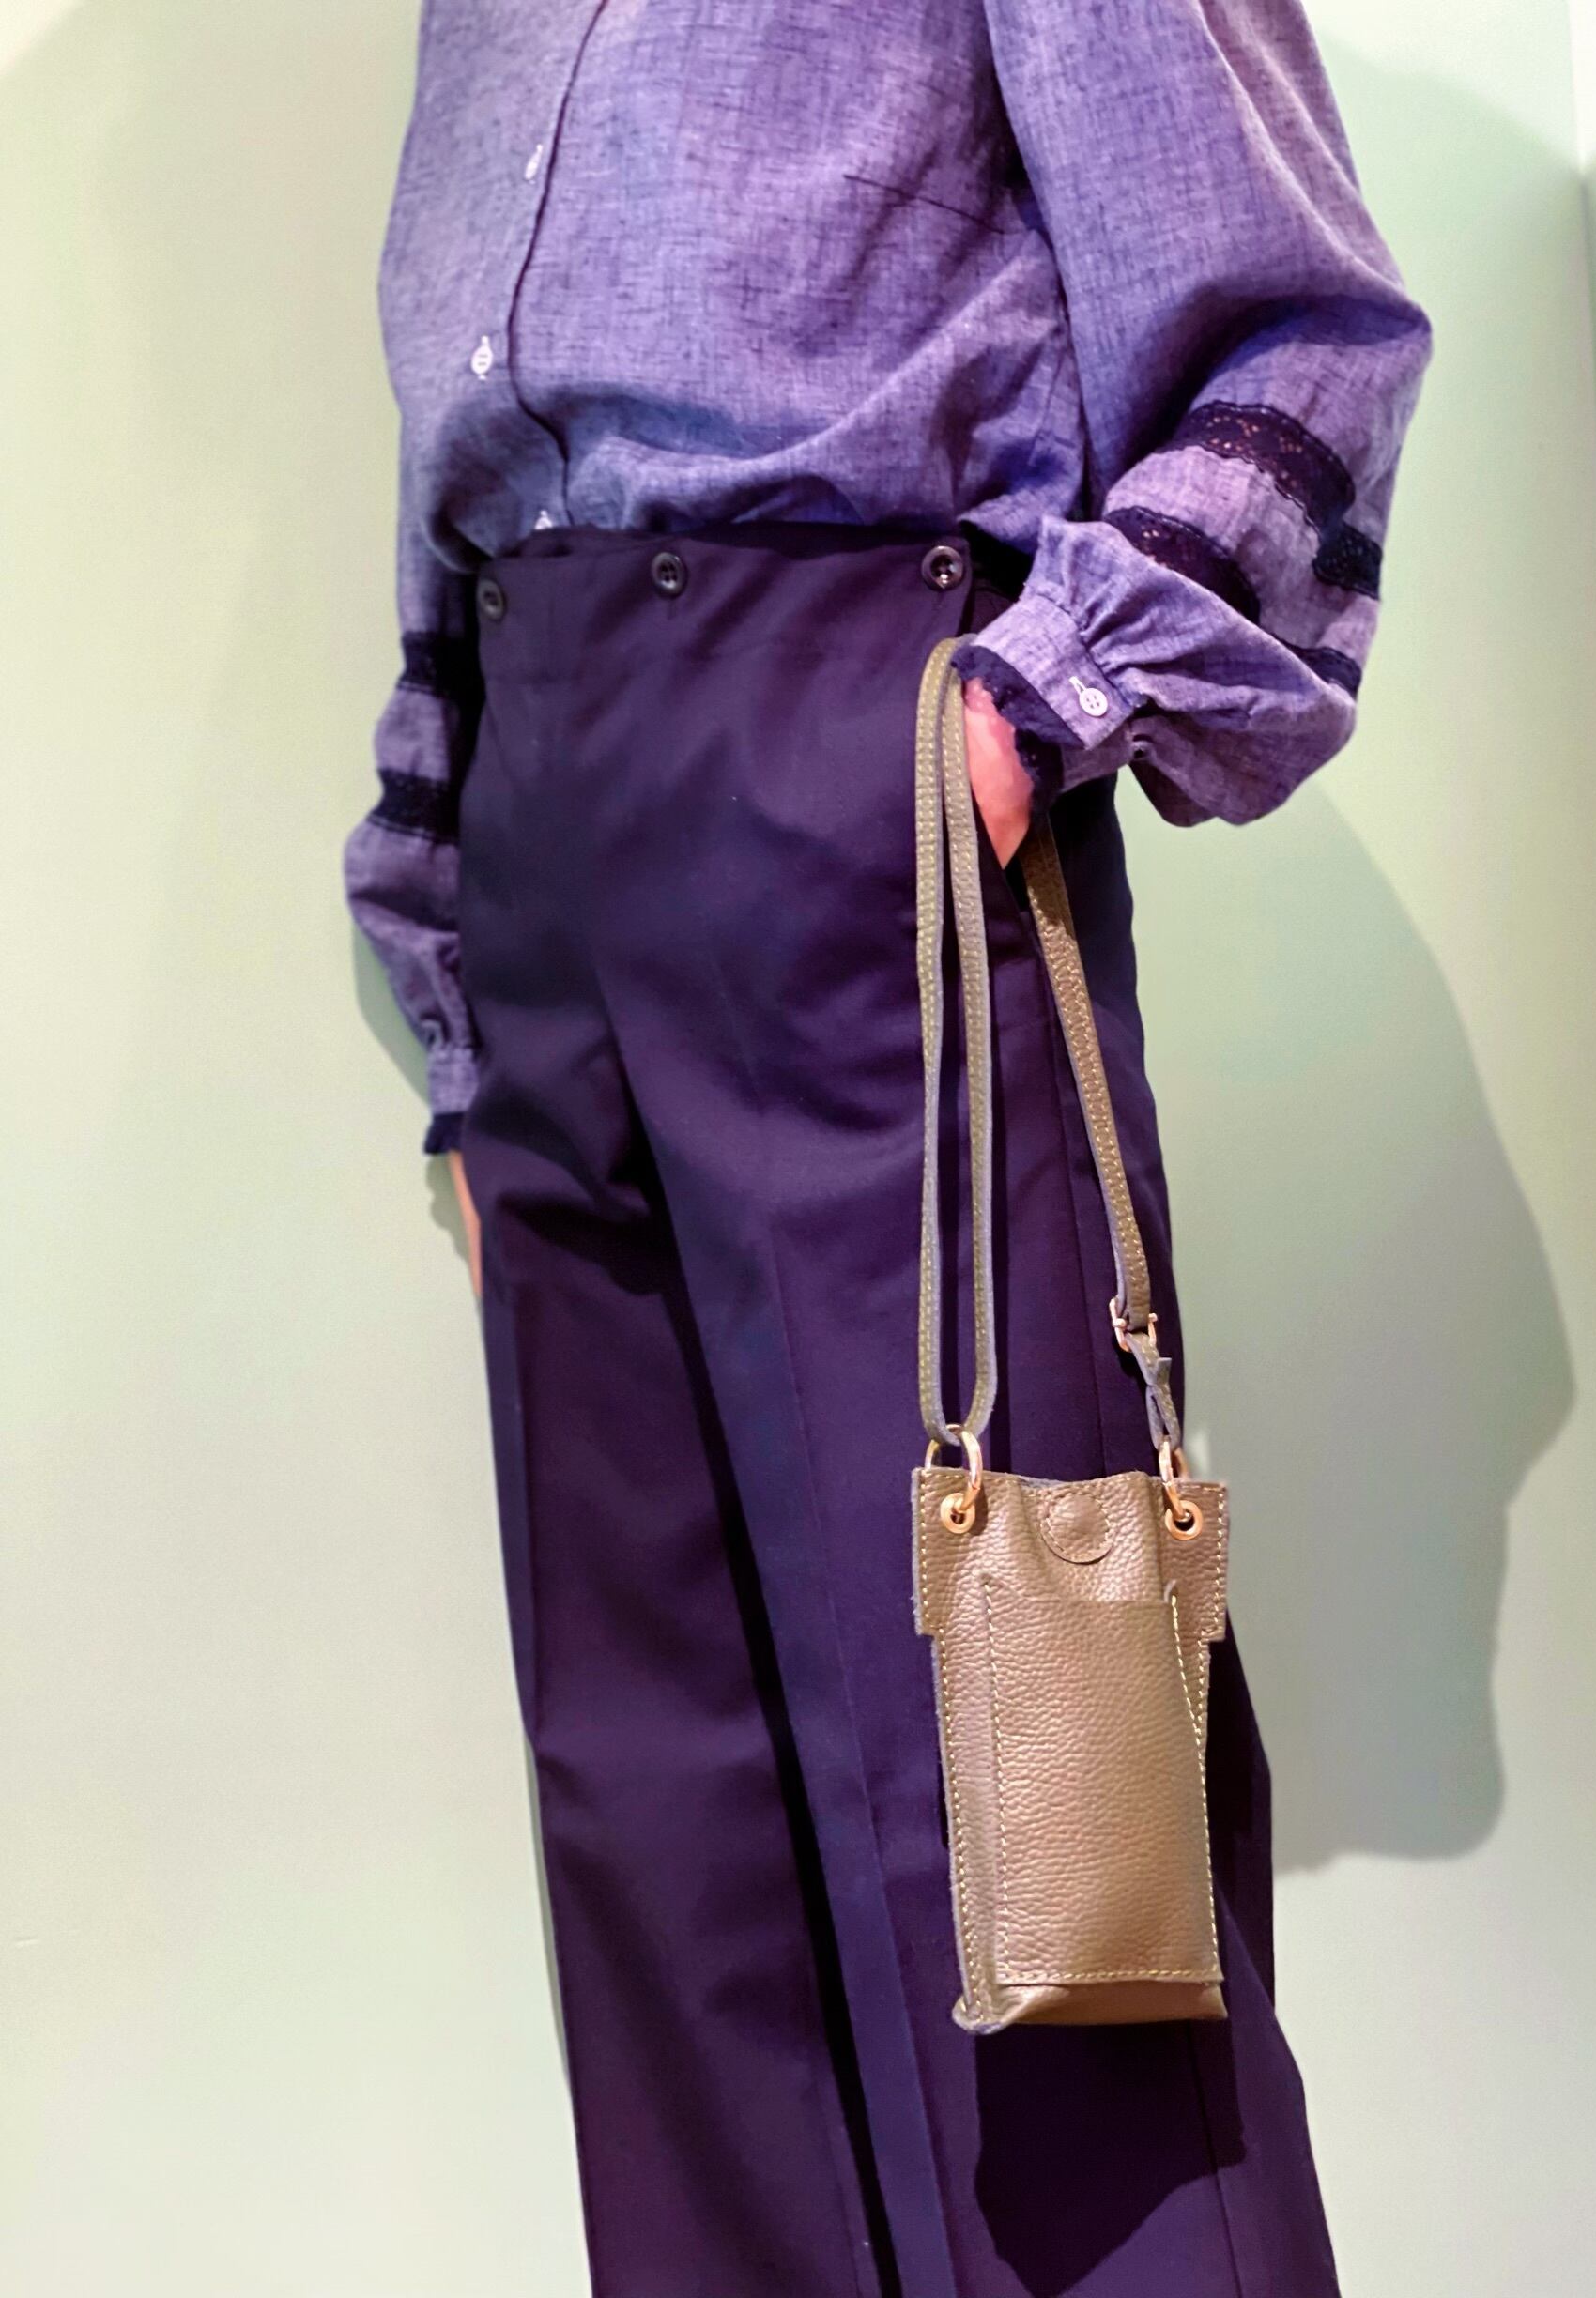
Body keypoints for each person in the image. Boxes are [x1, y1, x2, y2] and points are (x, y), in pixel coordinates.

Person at [343, 4, 1431, 2292]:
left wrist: (1033, 705)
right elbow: (463, 500)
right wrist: (454, 965)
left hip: (859, 771)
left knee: (1020, 1809)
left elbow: (1296, 334)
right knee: (663, 1830)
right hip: (546, 862)